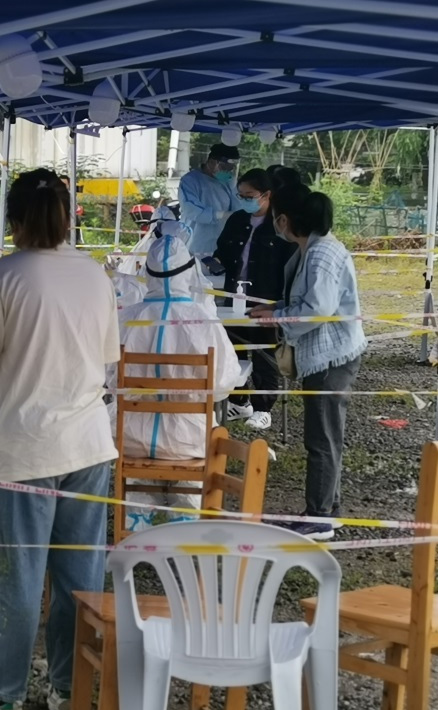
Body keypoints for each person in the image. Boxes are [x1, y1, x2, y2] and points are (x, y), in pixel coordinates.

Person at [0, 168, 119, 710]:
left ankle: (5, 701)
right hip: (89, 444)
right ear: (69, 215)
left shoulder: (5, 274)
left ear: (14, 218)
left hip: (26, 448)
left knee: (18, 578)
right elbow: (106, 357)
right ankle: (69, 690)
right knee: (79, 576)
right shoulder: (95, 274)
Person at [248, 185, 366, 540]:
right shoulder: (313, 249)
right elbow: (308, 301)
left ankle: (319, 516)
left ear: (284, 220)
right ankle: (328, 508)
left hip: (331, 358)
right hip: (328, 356)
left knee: (322, 437)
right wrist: (277, 309)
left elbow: (318, 308)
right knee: (326, 435)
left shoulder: (320, 254)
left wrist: (278, 318)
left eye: (275, 218)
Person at [112, 235, 241, 531]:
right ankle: (185, 530)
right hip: (189, 440)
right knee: (188, 489)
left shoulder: (126, 320)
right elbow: (224, 384)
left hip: (131, 438)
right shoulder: (204, 321)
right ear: (189, 271)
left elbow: (109, 379)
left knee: (139, 484)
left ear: (147, 273)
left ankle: (135, 528)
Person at [214, 168, 297, 431]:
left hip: (265, 298)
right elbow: (222, 251)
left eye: (249, 196)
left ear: (266, 194)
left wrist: (280, 303)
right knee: (231, 349)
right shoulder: (237, 219)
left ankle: (263, 409)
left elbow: (289, 263)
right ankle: (239, 400)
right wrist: (214, 262)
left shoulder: (280, 223)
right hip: (233, 295)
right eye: (240, 195)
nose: (244, 200)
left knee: (264, 353)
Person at [179, 142, 243, 257]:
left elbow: (238, 206)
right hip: (195, 244)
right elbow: (190, 209)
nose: (228, 171)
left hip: (220, 244)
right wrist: (218, 215)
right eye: (225, 167)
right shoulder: (190, 181)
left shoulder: (229, 181)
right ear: (212, 162)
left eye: (231, 168)